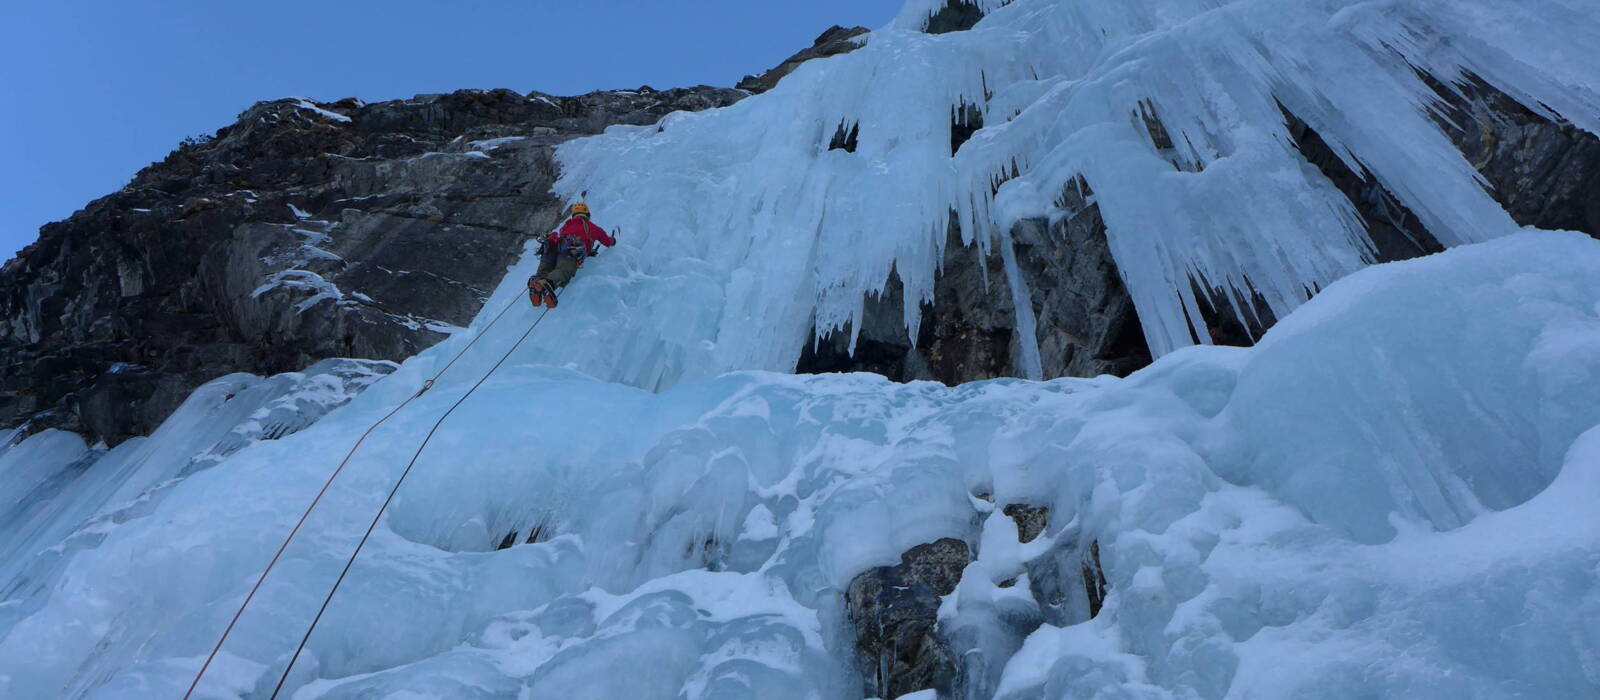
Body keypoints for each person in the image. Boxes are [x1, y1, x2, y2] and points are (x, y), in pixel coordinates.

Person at [527, 202, 615, 308]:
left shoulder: (566, 226)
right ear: (587, 215)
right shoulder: (590, 226)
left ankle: (537, 282)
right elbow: (606, 240)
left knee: (546, 270)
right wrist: (612, 240)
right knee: (563, 271)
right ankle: (546, 284)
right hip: (569, 250)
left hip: (553, 249)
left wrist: (588, 251)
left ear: (574, 215)